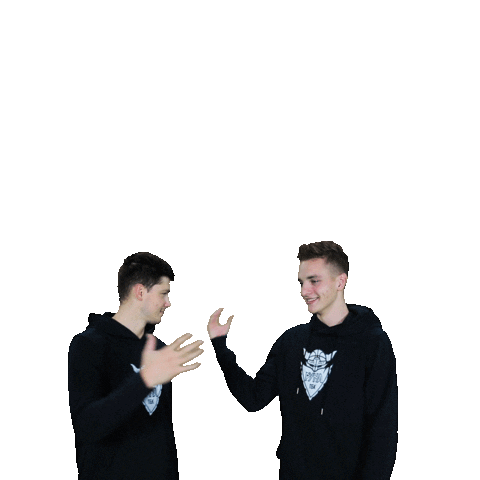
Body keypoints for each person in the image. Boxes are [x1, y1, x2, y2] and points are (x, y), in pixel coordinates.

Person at [207, 241, 398, 479]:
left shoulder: (372, 342)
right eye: (301, 282)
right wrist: (220, 346)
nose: (304, 291)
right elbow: (254, 398)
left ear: (340, 282)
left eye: (314, 281)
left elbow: (383, 428)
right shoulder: (291, 341)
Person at [68, 252, 204, 480]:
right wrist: (145, 380)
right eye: (163, 293)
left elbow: (161, 429)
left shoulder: (159, 349)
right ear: (140, 292)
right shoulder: (89, 345)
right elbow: (87, 427)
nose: (168, 303)